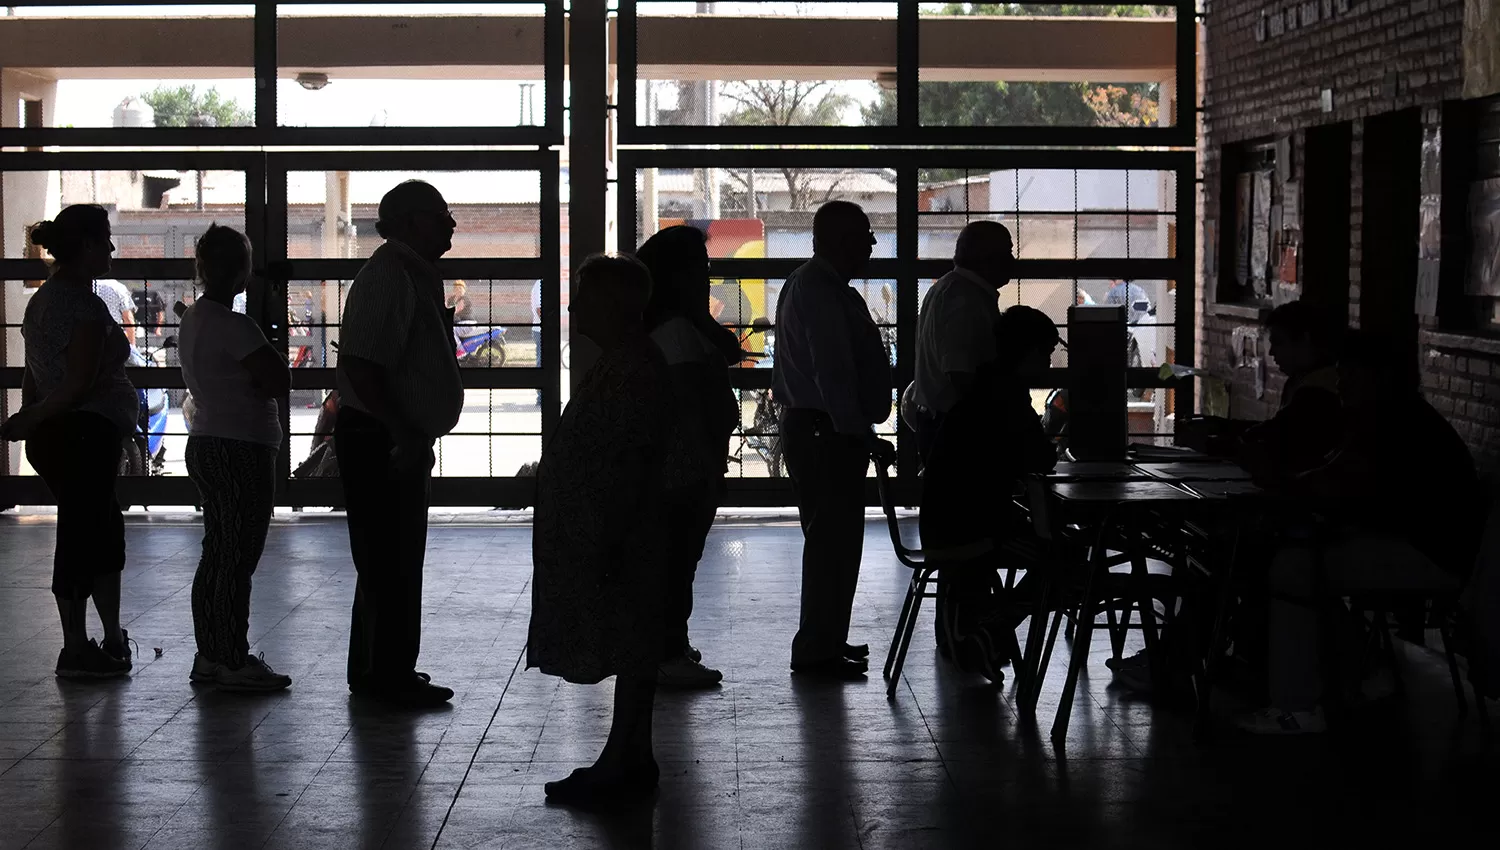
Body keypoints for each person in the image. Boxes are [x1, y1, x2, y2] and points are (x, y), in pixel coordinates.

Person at [1238, 330, 1481, 734]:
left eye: (1348, 374)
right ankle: (1366, 670)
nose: (1340, 383)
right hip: (1422, 547)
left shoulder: (1392, 422)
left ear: (1378, 376)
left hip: (1432, 556)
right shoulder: (1394, 414)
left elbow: (1336, 483)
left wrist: (1278, 479)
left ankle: (1297, 708)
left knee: (1292, 569)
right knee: (1302, 564)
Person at [528, 254, 676, 805]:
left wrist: (610, 536)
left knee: (632, 642)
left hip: (623, 532)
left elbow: (633, 458)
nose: (572, 305)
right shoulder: (620, 360)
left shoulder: (633, 366)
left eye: (584, 295)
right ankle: (629, 755)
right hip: (616, 529)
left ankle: (626, 760)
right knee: (631, 643)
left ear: (614, 303)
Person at [336, 180, 465, 707]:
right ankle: (385, 677)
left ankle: (380, 670)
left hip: (391, 436)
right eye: (441, 215)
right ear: (411, 222)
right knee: (389, 560)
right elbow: (363, 367)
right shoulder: (391, 275)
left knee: (392, 560)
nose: (451, 224)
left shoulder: (411, 274)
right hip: (381, 439)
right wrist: (403, 432)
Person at [1, 205, 138, 678]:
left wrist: (31, 417)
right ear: (85, 247)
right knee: (87, 538)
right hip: (80, 434)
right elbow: (76, 384)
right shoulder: (80, 305)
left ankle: (107, 640)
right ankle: (78, 647)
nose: (112, 249)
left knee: (96, 533)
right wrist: (34, 417)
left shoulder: (47, 300)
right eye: (105, 240)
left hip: (67, 434)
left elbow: (35, 373)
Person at [773, 200, 894, 680]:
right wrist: (860, 433)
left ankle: (825, 640)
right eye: (864, 235)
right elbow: (833, 372)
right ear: (840, 239)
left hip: (823, 430)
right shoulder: (821, 290)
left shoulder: (819, 285)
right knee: (832, 546)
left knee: (833, 545)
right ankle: (816, 649)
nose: (871, 244)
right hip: (827, 432)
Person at [177, 224, 293, 692]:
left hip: (207, 439)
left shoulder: (195, 318)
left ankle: (211, 653)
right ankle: (230, 657)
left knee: (218, 553)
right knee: (236, 556)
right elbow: (277, 380)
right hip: (239, 446)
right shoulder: (234, 325)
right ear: (241, 270)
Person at [920, 306, 1061, 683]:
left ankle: (986, 628)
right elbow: (1040, 459)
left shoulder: (984, 389)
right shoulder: (1007, 399)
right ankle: (990, 629)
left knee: (1057, 557)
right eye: (1046, 354)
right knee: (1064, 562)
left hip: (947, 525)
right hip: (972, 532)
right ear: (1028, 353)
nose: (1049, 364)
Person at [636, 226, 742, 688]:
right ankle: (666, 651)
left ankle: (671, 644)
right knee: (677, 561)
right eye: (700, 266)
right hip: (685, 468)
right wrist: (708, 467)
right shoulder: (675, 332)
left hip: (687, 465)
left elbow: (728, 350)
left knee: (680, 559)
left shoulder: (678, 324)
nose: (707, 274)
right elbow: (690, 408)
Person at [908, 221, 1015, 465]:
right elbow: (960, 373)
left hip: (941, 423)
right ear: (985, 257)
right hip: (956, 430)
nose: (1012, 261)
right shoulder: (966, 300)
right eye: (1007, 252)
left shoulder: (948, 287)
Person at [1238, 300, 1345, 486]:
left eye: (1279, 342)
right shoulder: (1301, 380)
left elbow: (1279, 432)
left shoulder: (1320, 390)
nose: (1271, 352)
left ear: (1305, 339)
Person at [92, 277, 136, 345]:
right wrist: (132, 345)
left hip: (89, 335)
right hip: (112, 336)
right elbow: (128, 318)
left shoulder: (88, 286)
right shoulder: (118, 287)